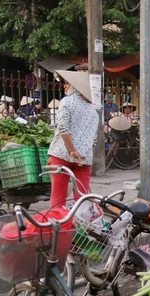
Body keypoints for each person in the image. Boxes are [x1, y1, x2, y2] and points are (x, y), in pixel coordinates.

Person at [46, 71, 99, 210]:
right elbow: (94, 139)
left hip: (62, 155)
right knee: (83, 199)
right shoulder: (93, 110)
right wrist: (81, 153)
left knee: (58, 198)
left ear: (75, 87)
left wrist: (72, 151)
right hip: (84, 159)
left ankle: (58, 228)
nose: (64, 86)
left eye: (67, 84)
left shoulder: (67, 102)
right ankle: (83, 228)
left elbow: (63, 129)